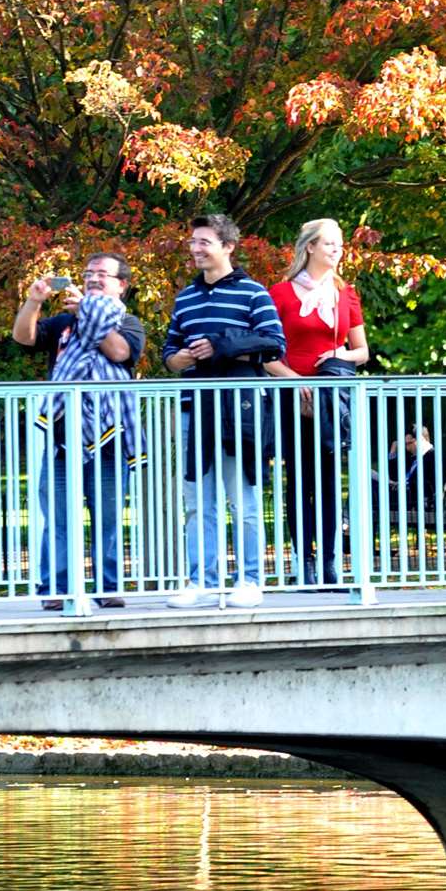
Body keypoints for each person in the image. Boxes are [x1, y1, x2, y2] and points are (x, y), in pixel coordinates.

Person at [162, 213, 286, 608]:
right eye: (193, 242)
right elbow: (168, 353)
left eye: (204, 242)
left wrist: (220, 345)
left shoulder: (253, 293)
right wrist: (179, 359)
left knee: (244, 500)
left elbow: (273, 343)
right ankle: (200, 580)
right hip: (193, 408)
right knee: (198, 501)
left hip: (240, 412)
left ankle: (250, 580)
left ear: (228, 247)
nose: (196, 249)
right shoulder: (185, 297)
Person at [12, 253, 145, 610]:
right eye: (89, 274)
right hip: (62, 438)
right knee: (57, 516)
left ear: (122, 285)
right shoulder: (62, 322)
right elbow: (24, 337)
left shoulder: (129, 322)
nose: (93, 279)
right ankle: (55, 589)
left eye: (103, 274)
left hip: (110, 437)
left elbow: (119, 353)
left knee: (108, 517)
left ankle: (107, 586)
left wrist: (87, 313)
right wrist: (34, 300)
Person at [266, 219, 369, 584]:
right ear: (309, 247)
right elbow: (266, 356)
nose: (336, 250)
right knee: (298, 480)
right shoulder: (279, 294)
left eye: (339, 244)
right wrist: (296, 383)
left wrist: (339, 354)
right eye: (328, 243)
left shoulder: (345, 293)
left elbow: (362, 352)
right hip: (293, 398)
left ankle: (329, 562)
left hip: (329, 400)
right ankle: (304, 562)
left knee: (327, 481)